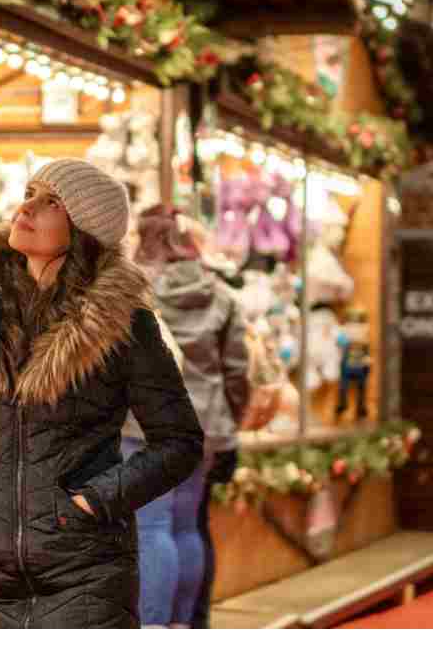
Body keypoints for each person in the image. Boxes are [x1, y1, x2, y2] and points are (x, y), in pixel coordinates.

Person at [0, 159, 204, 628]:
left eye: (50, 202)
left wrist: (93, 503)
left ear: (84, 230)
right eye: (29, 192)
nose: (26, 207)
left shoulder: (120, 323)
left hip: (88, 569)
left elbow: (179, 441)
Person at [121, 204, 250, 628]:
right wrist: (229, 425)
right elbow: (236, 371)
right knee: (185, 525)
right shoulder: (223, 295)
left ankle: (154, 627)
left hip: (146, 425)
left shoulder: (133, 290)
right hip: (205, 424)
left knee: (152, 527)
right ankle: (184, 625)